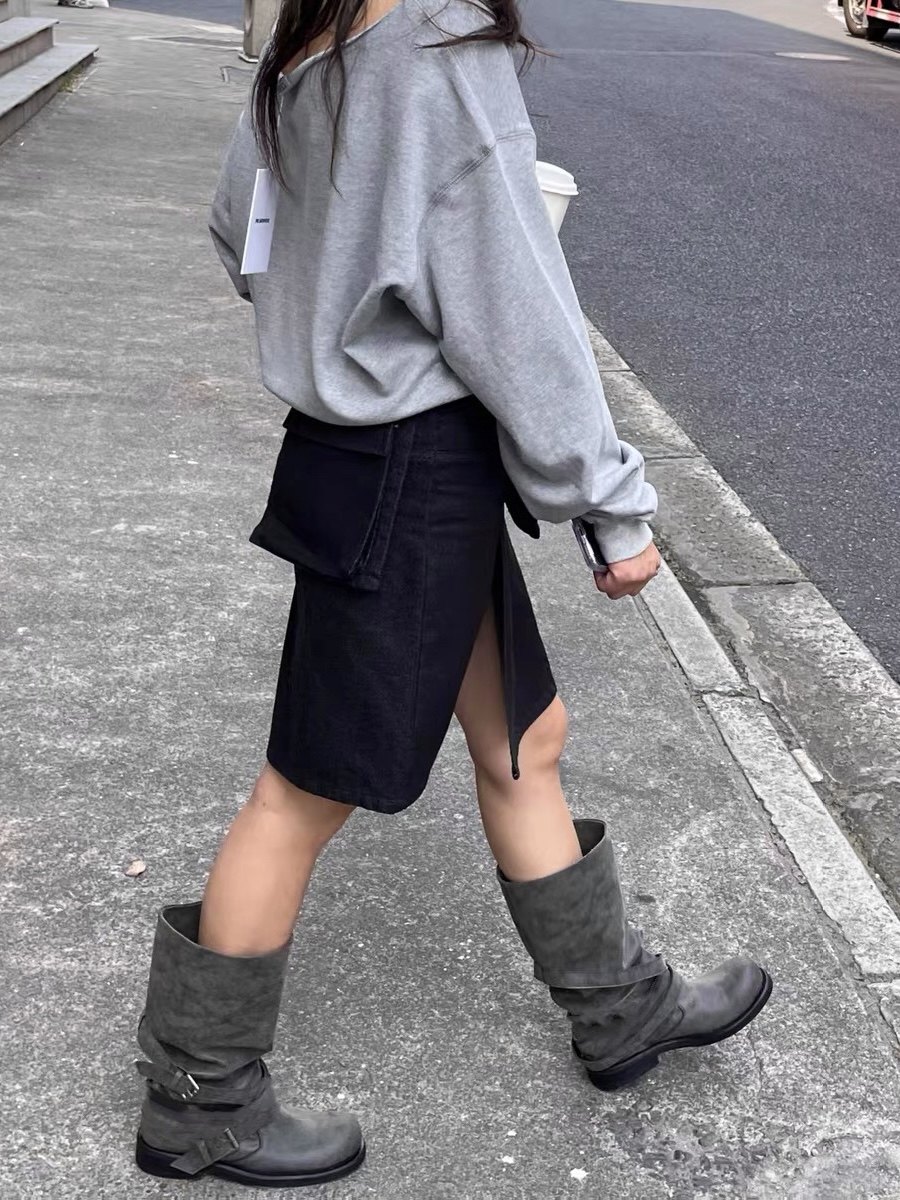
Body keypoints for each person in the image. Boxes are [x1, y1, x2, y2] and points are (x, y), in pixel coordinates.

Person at [132, 0, 772, 1188]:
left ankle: (617, 1006)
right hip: (414, 471)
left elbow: (239, 230)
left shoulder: (314, 35)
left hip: (361, 461)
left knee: (528, 737)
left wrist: (331, 316)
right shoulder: (441, 46)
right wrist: (608, 500)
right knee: (302, 793)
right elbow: (516, 305)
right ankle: (197, 1097)